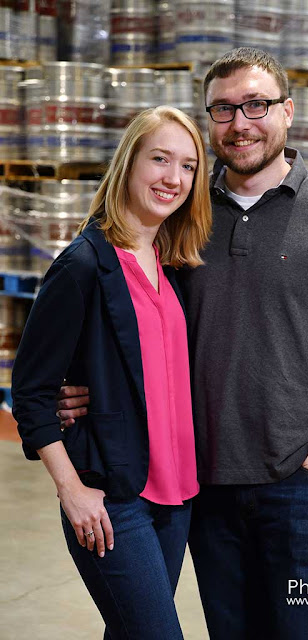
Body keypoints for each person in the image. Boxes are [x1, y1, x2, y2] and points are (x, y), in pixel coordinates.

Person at [57, 48, 308, 640]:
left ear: (288, 112)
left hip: (306, 490)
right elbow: (130, 319)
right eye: (223, 109)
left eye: (257, 105)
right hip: (205, 489)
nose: (240, 122)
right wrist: (78, 391)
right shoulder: (179, 217)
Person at [12, 106, 212, 639]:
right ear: (128, 164)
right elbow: (30, 391)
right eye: (161, 159)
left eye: (189, 166)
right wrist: (71, 490)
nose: (174, 178)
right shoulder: (83, 265)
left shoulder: (174, 267)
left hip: (178, 495)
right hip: (113, 496)